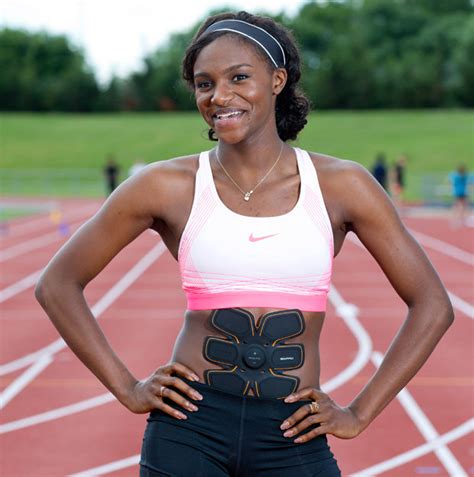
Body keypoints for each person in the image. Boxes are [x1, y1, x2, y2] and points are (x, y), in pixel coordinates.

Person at [35, 11, 454, 477]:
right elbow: (57, 283)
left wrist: (358, 413)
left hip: (292, 433)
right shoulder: (166, 185)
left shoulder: (342, 185)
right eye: (203, 83)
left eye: (239, 77)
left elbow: (433, 304)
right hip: (188, 430)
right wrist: (128, 387)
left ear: (277, 80)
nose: (219, 96)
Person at [449, 164, 470, 228]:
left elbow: (451, 181)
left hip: (457, 192)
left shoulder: (455, 176)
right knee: (463, 207)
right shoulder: (464, 176)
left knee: (456, 207)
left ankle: (455, 220)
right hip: (462, 192)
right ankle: (461, 220)